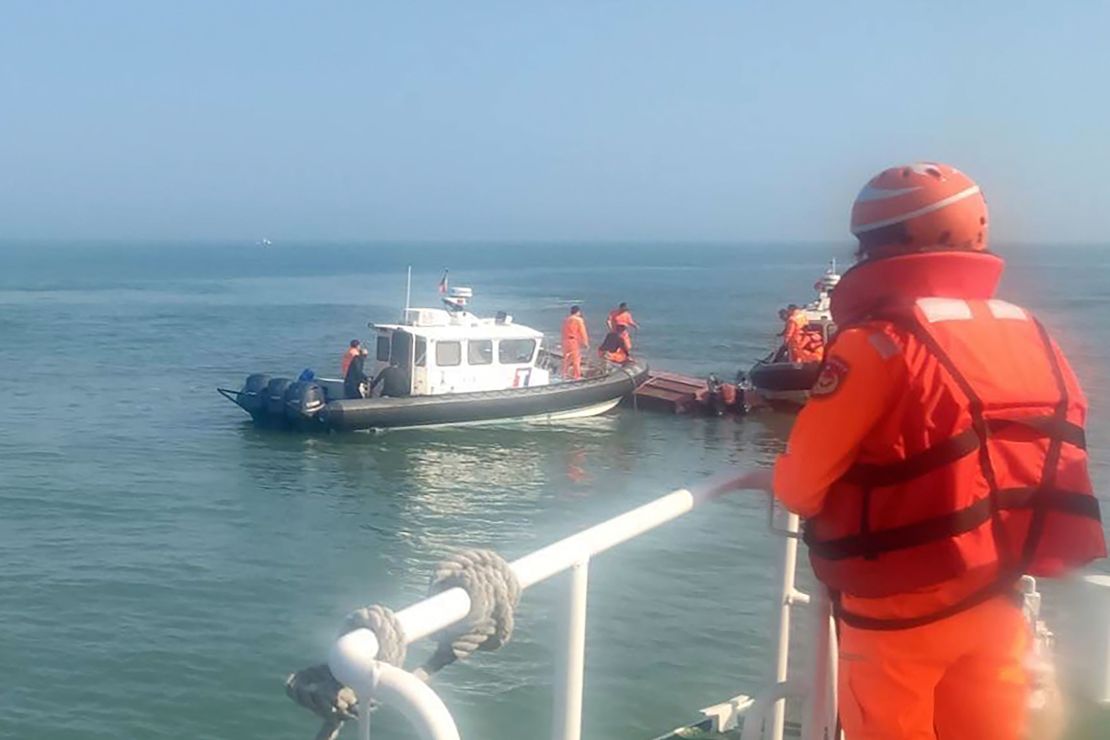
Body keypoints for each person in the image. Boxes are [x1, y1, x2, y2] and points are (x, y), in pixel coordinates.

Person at [762, 162, 1105, 739]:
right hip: (998, 597)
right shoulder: (1030, 330)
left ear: (877, 246)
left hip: (897, 617)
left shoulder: (877, 344)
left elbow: (799, 487)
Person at [561, 305, 590, 380]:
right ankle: (577, 376)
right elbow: (582, 332)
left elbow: (563, 331)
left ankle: (564, 374)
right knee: (576, 359)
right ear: (578, 312)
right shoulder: (579, 320)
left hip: (565, 341)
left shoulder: (566, 319)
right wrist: (585, 343)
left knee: (567, 358)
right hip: (573, 341)